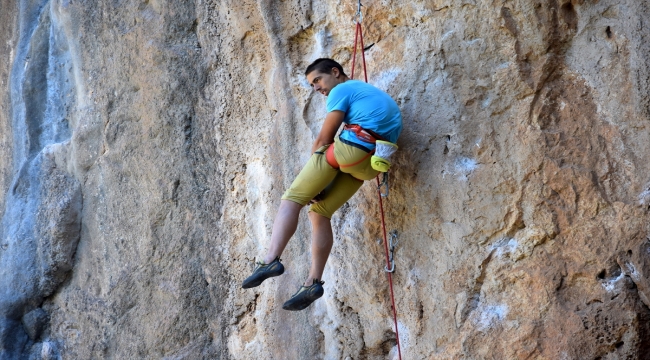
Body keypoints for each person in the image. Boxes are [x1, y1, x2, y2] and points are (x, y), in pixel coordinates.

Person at [242, 58, 403, 311]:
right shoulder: (367, 93)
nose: (316, 88)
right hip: (370, 165)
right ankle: (312, 282)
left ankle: (270, 260)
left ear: (335, 72)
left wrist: (314, 181)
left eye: (317, 80)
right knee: (320, 212)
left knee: (293, 198)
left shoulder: (341, 89)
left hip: (353, 148)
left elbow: (323, 138)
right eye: (312, 85)